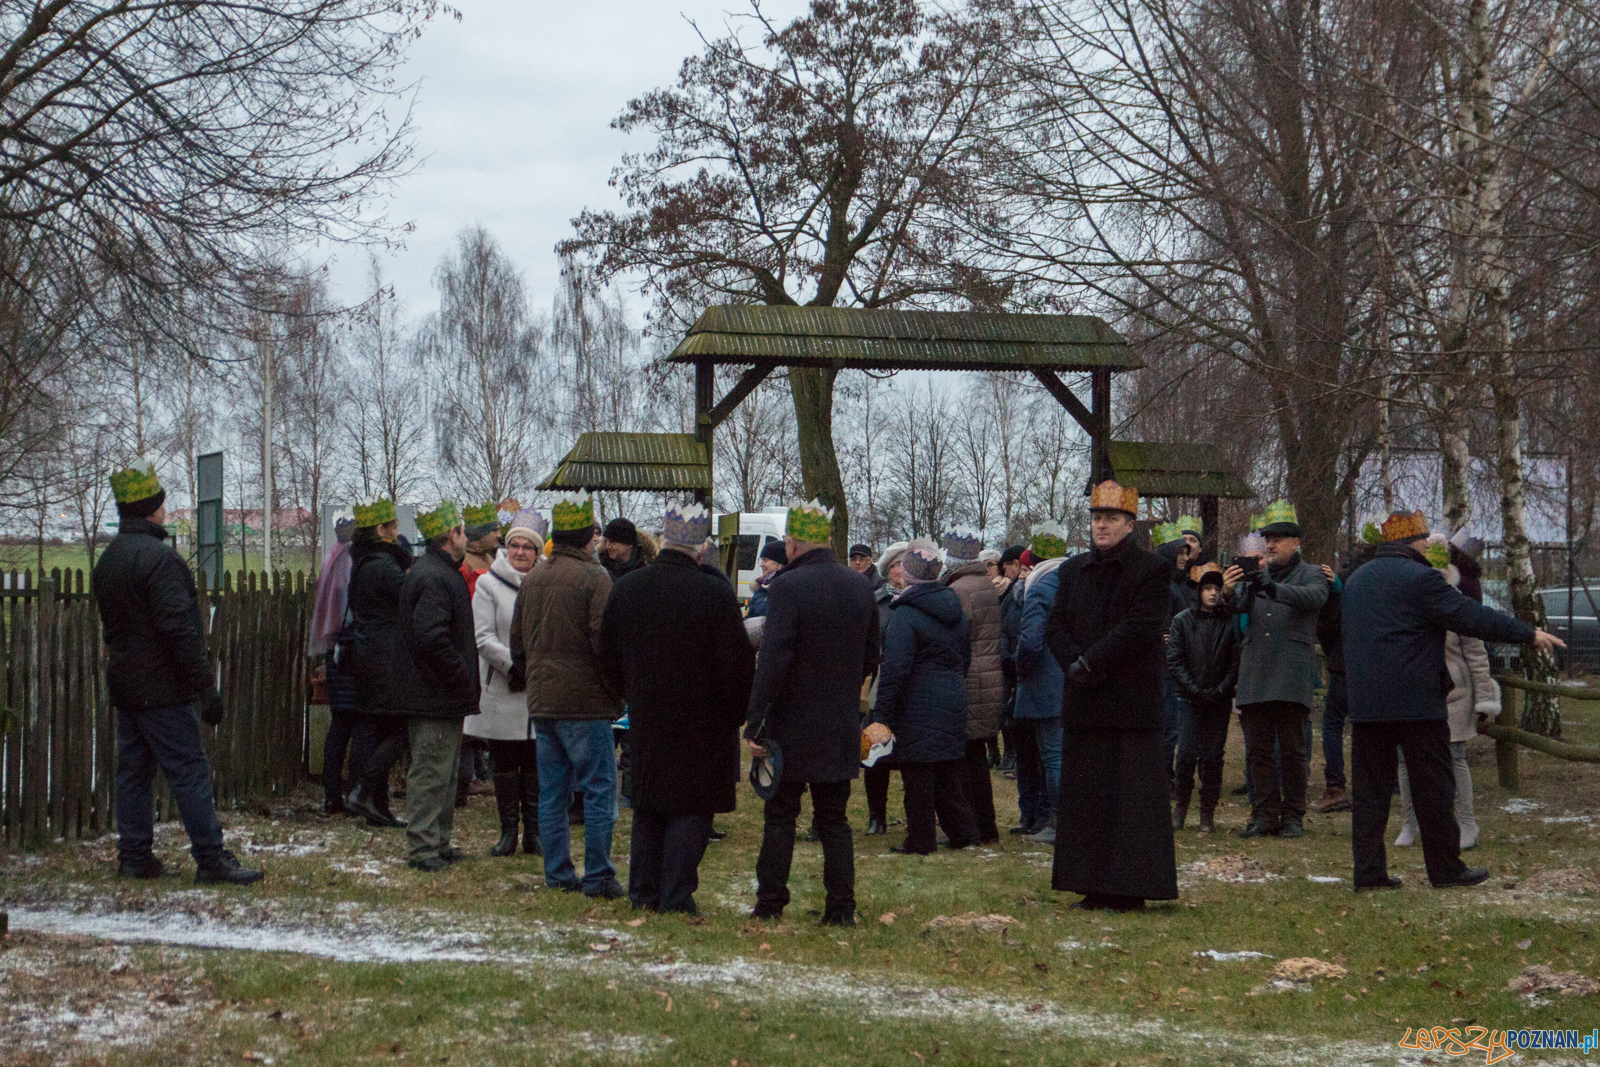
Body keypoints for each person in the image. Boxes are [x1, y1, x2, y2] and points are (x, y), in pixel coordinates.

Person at [1342, 510, 1562, 890]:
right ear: (1414, 543)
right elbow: (1471, 616)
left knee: (1370, 793)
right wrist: (1527, 634)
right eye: (1426, 540)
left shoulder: (1357, 580)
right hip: (1416, 702)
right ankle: (1445, 870)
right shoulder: (1422, 579)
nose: (1430, 545)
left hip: (1366, 703)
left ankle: (1369, 873)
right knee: (1434, 790)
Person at [93, 459, 262, 886]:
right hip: (163, 688)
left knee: (133, 772)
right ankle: (210, 858)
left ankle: (134, 856)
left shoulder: (108, 560)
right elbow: (178, 630)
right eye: (162, 504)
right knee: (188, 770)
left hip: (127, 684)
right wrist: (205, 687)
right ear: (152, 509)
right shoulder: (161, 562)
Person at [599, 502, 756, 913]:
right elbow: (736, 664)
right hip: (704, 719)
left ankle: (644, 892)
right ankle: (675, 894)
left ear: (665, 541)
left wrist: (631, 693)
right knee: (691, 803)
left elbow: (606, 656)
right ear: (701, 549)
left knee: (649, 803)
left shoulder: (628, 588)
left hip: (647, 713)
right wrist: (733, 714)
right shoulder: (715, 594)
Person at [744, 500, 879, 926]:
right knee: (834, 820)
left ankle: (770, 903)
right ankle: (840, 908)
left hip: (790, 722)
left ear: (792, 541)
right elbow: (872, 654)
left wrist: (755, 720)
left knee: (781, 815)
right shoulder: (860, 587)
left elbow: (774, 660)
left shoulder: (786, 587)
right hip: (838, 720)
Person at [1045, 480, 1176, 912]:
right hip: (1084, 698)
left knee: (1129, 799)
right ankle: (1090, 882)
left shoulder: (1152, 569)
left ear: (1129, 524)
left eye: (1111, 518)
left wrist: (1092, 662)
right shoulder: (1072, 569)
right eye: (1097, 518)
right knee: (1087, 796)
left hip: (1129, 701)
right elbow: (1055, 625)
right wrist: (1072, 663)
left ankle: (1129, 887)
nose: (1102, 525)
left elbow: (1140, 627)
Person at [512, 492, 626, 898]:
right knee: (598, 790)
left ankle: (557, 872)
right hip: (586, 704)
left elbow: (517, 645)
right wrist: (615, 691)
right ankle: (598, 876)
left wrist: (536, 681)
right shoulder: (596, 579)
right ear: (587, 539)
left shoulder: (534, 578)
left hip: (543, 703)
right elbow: (605, 642)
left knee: (552, 793)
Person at [1222, 500, 1327, 839]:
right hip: (1255, 671)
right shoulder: (1256, 573)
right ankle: (1263, 814)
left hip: (1291, 671)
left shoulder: (1312, 572)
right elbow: (1236, 608)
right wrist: (1227, 590)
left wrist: (1272, 587)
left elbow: (1313, 598)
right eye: (1267, 538)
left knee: (1294, 751)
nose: (1270, 545)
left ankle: (1293, 815)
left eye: (1279, 539)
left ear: (1296, 543)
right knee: (1258, 752)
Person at [872, 539, 978, 854]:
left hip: (916, 703)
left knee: (917, 775)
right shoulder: (954, 608)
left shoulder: (904, 614)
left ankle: (920, 839)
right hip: (952, 696)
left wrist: (882, 714)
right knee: (947, 772)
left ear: (908, 574)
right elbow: (965, 657)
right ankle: (963, 833)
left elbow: (896, 669)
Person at [390, 502, 479, 872]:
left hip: (439, 694)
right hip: (434, 694)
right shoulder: (435, 577)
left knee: (442, 771)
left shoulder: (438, 572)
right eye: (461, 530)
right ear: (451, 536)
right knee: (430, 772)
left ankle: (438, 842)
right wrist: (459, 674)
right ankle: (423, 848)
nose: (466, 536)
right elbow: (431, 636)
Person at [1393, 537, 1498, 852]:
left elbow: (1476, 653)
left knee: (1455, 758)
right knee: (1405, 758)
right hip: (1413, 688)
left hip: (1454, 692)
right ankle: (1409, 823)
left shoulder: (1456, 601)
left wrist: (1484, 697)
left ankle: (1467, 823)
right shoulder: (1404, 599)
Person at [468, 508, 547, 858]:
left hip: (538, 685)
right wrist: (514, 665)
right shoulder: (488, 584)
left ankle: (534, 833)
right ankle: (507, 833)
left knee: (534, 761)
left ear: (537, 551)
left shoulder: (546, 583)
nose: (519, 552)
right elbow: (483, 637)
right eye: (514, 545)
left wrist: (538, 666)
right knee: (504, 761)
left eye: (527, 547)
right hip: (503, 685)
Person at [343, 497, 412, 830]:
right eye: (394, 526)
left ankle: (379, 806)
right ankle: (363, 789)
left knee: (383, 728)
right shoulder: (384, 566)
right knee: (403, 730)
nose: (398, 532)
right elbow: (411, 600)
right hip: (386, 658)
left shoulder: (363, 562)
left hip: (368, 654)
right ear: (381, 530)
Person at [940, 527, 1004, 843]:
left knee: (965, 759)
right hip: (988, 677)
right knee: (975, 755)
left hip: (970, 679)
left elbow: (954, 637)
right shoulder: (984, 584)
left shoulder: (960, 591)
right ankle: (986, 826)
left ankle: (971, 826)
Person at [1167, 563, 1240, 832]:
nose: (1212, 593)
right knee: (1185, 756)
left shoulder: (1229, 621)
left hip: (1218, 700)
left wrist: (1220, 690)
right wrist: (1194, 691)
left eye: (1216, 589)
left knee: (1212, 757)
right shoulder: (1183, 620)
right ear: (1199, 591)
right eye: (1207, 588)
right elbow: (1175, 660)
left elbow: (1235, 661)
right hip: (1189, 700)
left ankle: (1207, 813)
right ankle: (1181, 809)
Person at [1013, 524, 1070, 843]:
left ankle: (1058, 824)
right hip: (1072, 677)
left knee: (1052, 756)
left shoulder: (1039, 584)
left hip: (1045, 684)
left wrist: (1021, 669)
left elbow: (1031, 640)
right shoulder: (1071, 578)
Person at [1312, 539, 1374, 814]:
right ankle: (1371, 785)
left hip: (1342, 663)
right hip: (1372, 665)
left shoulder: (1344, 585)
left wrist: (1332, 651)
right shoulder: (1379, 584)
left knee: (1334, 724)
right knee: (1368, 727)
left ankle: (1336, 786)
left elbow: (1325, 626)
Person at [312, 516, 362, 816]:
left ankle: (332, 793)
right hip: (349, 648)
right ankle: (352, 791)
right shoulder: (348, 561)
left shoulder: (332, 558)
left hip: (335, 650)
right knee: (355, 725)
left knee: (340, 725)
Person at [863, 541, 909, 834]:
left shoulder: (920, 600)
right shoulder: (876, 602)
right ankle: (875, 815)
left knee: (911, 757)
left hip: (913, 689)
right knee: (874, 753)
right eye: (894, 565)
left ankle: (915, 814)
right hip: (880, 687)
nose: (899, 571)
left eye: (905, 565)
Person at [996, 544, 1028, 779]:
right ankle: (1010, 755)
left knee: (1017, 714)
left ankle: (1015, 757)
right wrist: (1006, 656)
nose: (1003, 571)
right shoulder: (1011, 593)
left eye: (1005, 566)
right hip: (1009, 662)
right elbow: (1003, 626)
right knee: (1007, 711)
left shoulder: (1026, 591)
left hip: (1023, 661)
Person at [459, 502, 502, 597]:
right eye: (494, 530)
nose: (499, 535)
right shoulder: (463, 565)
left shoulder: (491, 558)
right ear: (480, 534)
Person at [745, 539, 787, 618]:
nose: (761, 565)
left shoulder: (787, 590)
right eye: (761, 560)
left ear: (780, 563)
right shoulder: (760, 589)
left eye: (765, 560)